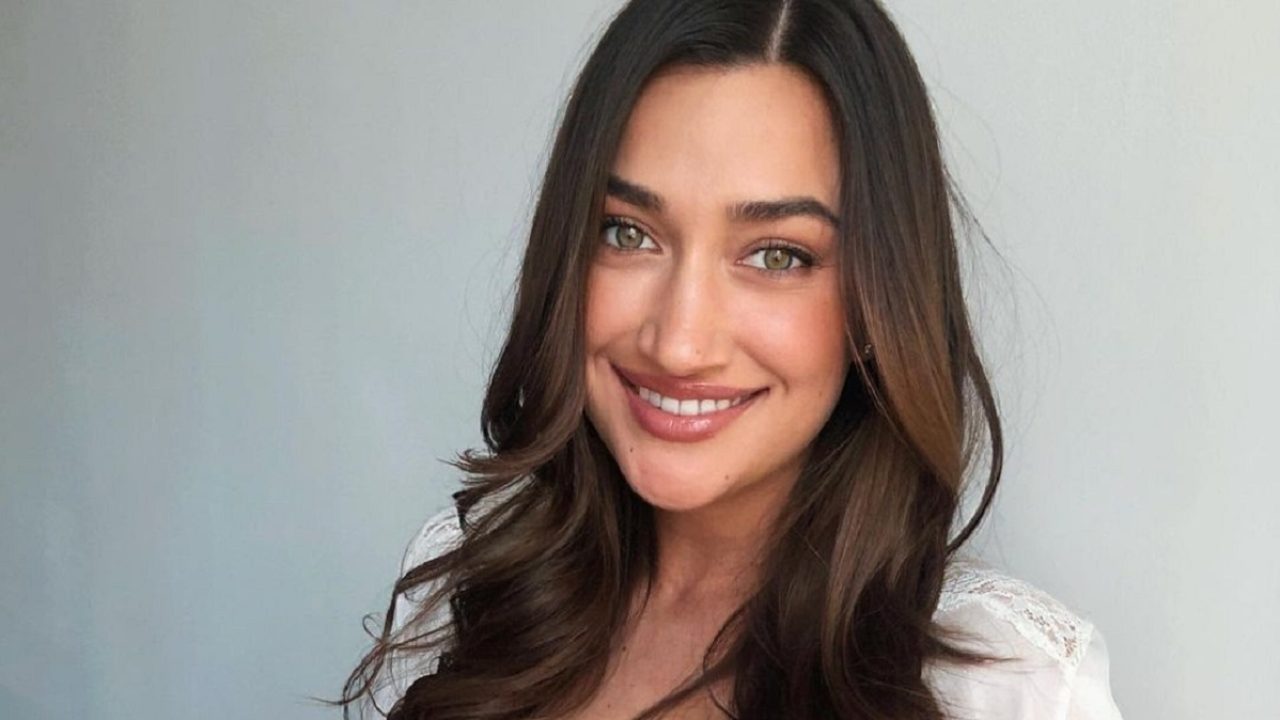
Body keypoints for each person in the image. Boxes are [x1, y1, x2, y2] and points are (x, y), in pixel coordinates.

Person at [333, 1, 1126, 718]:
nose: (679, 343)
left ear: (879, 299)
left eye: (777, 255)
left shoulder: (1009, 688)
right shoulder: (465, 590)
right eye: (628, 233)